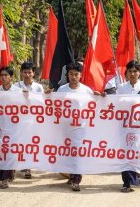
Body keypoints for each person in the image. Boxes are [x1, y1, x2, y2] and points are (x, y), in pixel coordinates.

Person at [55, 62, 96, 191]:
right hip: (65, 128)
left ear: (80, 75)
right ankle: (71, 176)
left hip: (80, 128)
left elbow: (95, 107)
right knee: (68, 153)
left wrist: (101, 97)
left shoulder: (86, 91)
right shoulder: (62, 90)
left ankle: (77, 180)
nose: (73, 77)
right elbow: (55, 107)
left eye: (76, 74)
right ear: (67, 75)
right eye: (71, 74)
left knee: (77, 153)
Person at [116, 60, 140, 193]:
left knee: (137, 152)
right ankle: (126, 182)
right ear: (126, 73)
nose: (132, 74)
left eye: (135, 71)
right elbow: (115, 105)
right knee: (125, 154)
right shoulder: (120, 88)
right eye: (130, 71)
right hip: (124, 126)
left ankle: (137, 173)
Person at [0, 66, 22, 189]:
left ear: (11, 77)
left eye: (6, 75)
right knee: (1, 151)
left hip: (14, 127)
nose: (3, 77)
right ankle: (8, 173)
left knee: (10, 152)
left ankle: (4, 179)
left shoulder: (18, 92)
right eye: (1, 75)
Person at [14, 62, 44, 179]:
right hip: (19, 120)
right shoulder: (16, 86)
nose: (27, 74)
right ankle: (20, 164)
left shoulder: (38, 87)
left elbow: (42, 102)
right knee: (20, 143)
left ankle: (28, 168)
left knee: (31, 144)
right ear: (21, 73)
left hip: (33, 120)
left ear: (34, 73)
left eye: (29, 72)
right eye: (25, 72)